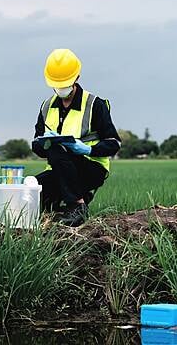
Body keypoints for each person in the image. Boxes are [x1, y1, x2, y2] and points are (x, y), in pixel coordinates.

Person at [32, 49, 121, 226]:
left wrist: (87, 149)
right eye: (56, 83)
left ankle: (77, 205)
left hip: (91, 167)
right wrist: (44, 143)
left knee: (57, 150)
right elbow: (36, 145)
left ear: (77, 78)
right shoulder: (47, 106)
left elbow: (114, 143)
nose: (61, 88)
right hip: (60, 170)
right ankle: (66, 205)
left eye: (65, 83)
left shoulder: (94, 104)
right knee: (34, 190)